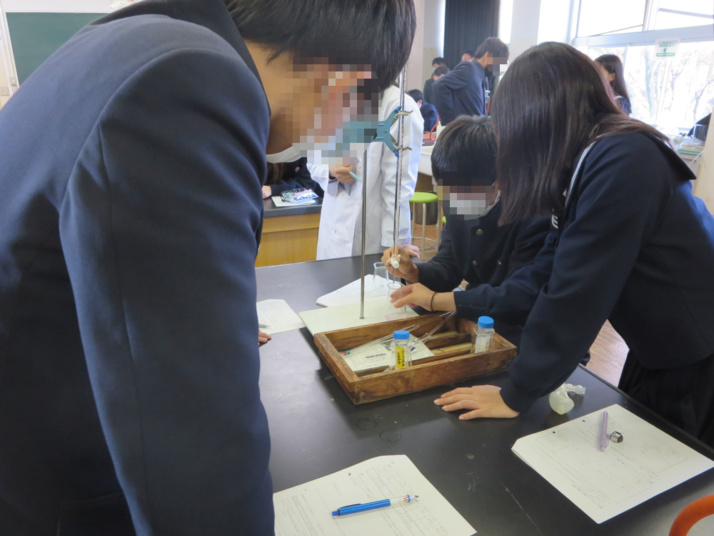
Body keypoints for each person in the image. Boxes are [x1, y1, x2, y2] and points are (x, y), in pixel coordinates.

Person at [0, 0, 416, 534]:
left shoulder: (138, 40)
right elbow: (193, 443)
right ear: (344, 86)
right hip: (47, 486)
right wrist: (198, 342)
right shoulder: (189, 82)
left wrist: (208, 323)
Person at [436, 42, 714, 448]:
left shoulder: (622, 158)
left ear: (537, 117)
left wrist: (517, 392)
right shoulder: (588, 162)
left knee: (674, 470)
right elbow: (550, 266)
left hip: (697, 353)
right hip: (658, 344)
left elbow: (578, 291)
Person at [384, 116, 551, 346]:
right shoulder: (457, 202)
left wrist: (435, 300)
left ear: (499, 180)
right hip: (477, 322)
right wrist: (413, 271)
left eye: (462, 192)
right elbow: (449, 265)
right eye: (446, 189)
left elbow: (518, 295)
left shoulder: (533, 213)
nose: (453, 200)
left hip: (526, 331)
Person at [309, 85, 423, 260]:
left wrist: (396, 243)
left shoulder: (398, 106)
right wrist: (330, 170)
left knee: (371, 282)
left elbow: (397, 188)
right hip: (333, 230)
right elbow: (313, 157)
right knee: (329, 282)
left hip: (372, 236)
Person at [431, 37, 509, 125]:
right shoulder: (469, 69)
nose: (499, 68)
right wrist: (451, 122)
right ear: (487, 55)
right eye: (499, 63)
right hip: (463, 133)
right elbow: (439, 85)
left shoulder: (484, 77)